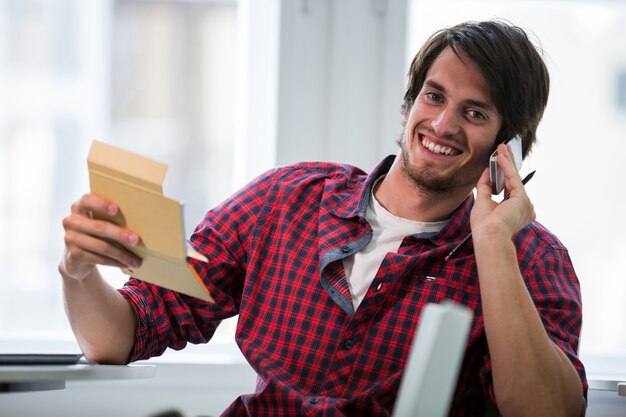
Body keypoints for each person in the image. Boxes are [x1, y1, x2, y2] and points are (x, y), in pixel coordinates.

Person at [59, 20, 587, 416]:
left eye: (475, 113)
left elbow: (544, 412)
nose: (443, 124)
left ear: (507, 145)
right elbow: (118, 338)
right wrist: (79, 272)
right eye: (434, 96)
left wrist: (492, 239)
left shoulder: (529, 257)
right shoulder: (289, 200)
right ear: (410, 103)